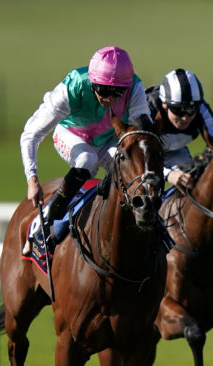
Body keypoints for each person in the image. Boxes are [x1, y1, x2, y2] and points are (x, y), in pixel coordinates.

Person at [21, 46, 152, 257]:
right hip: (72, 134)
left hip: (109, 139)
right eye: (103, 90)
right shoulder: (72, 88)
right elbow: (31, 134)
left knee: (126, 165)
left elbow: (143, 133)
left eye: (117, 92)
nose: (109, 98)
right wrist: (32, 178)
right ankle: (44, 222)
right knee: (87, 160)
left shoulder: (135, 88)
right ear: (92, 82)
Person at [145, 68, 213, 190]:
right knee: (148, 191)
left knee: (191, 183)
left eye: (191, 110)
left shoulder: (201, 108)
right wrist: (168, 174)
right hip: (142, 154)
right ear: (165, 105)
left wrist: (204, 162)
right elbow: (136, 156)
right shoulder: (148, 109)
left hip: (175, 152)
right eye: (178, 110)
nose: (185, 118)